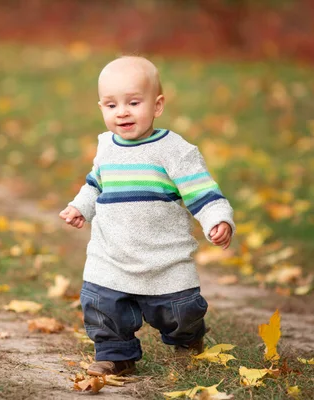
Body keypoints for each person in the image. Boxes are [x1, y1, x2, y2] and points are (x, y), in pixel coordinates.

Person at [58, 56, 235, 377]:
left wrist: (216, 219)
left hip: (164, 258)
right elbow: (95, 183)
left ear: (157, 105)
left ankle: (188, 337)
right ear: (101, 108)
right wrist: (79, 207)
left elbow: (201, 191)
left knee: (180, 313)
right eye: (111, 105)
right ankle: (115, 355)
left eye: (133, 102)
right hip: (109, 256)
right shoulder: (106, 146)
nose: (122, 112)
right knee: (101, 307)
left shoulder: (174, 150)